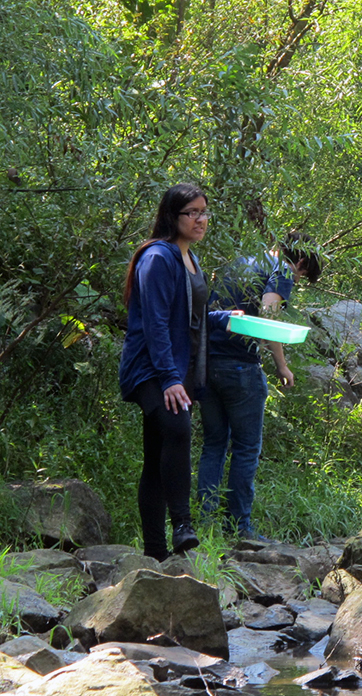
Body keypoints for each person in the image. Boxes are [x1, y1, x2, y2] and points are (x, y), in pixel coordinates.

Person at [119, 184, 238, 561]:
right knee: (178, 428)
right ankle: (182, 525)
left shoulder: (189, 258)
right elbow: (155, 322)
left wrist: (223, 320)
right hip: (150, 367)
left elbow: (188, 315)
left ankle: (155, 553)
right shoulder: (158, 257)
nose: (202, 220)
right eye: (193, 213)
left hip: (173, 365)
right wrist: (170, 378)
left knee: (156, 455)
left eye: (205, 212)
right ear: (173, 216)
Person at [196, 233, 322, 541]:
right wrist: (282, 365)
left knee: (214, 443)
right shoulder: (280, 270)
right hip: (240, 367)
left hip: (207, 362)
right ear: (301, 262)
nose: (297, 278)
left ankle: (205, 522)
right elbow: (268, 313)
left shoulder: (240, 262)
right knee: (246, 447)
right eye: (302, 275)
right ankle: (240, 527)